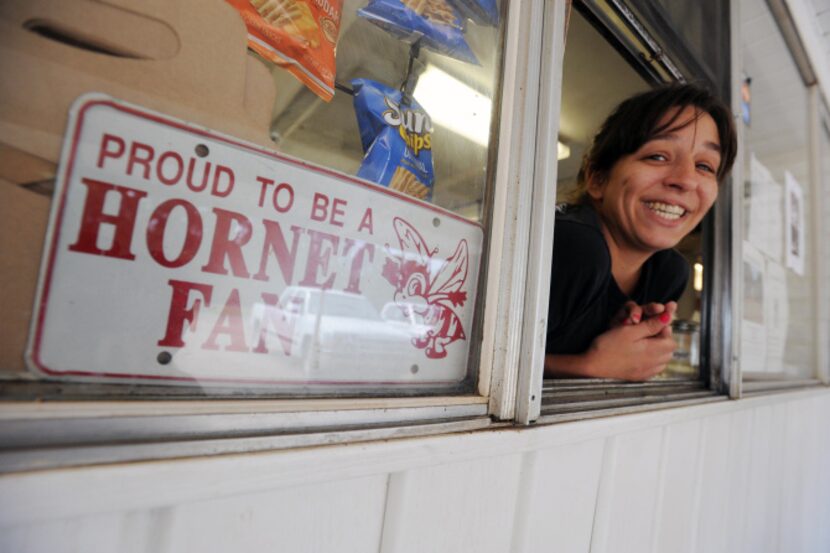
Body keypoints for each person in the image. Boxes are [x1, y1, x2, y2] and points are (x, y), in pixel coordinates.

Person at [544, 83, 737, 381]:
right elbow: (462, 367)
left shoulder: (667, 272)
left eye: (704, 166)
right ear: (597, 178)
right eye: (657, 156)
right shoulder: (573, 247)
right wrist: (588, 368)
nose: (685, 180)